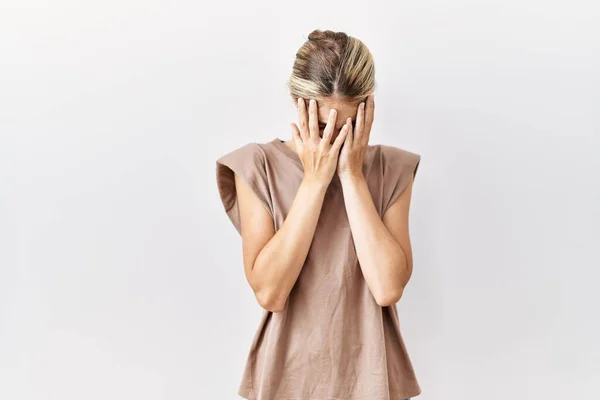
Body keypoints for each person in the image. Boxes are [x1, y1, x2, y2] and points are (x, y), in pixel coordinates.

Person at [216, 29, 421, 400]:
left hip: (372, 377)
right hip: (286, 376)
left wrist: (352, 175)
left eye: (350, 126)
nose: (337, 140)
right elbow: (270, 292)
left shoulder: (391, 168)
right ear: (297, 102)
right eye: (325, 127)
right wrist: (314, 181)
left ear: (367, 108)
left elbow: (388, 287)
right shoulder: (257, 166)